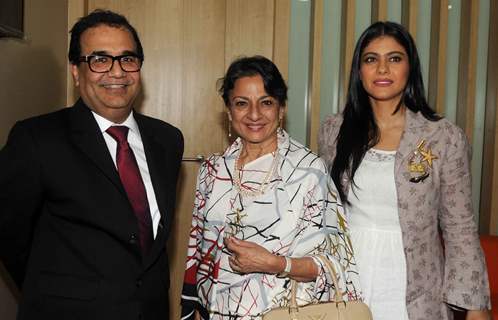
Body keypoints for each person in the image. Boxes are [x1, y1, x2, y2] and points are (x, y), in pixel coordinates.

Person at [0, 9, 183, 320]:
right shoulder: (37, 139)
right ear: (76, 70)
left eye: (128, 58)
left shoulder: (167, 140)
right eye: (100, 59)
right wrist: (55, 290)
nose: (117, 72)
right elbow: (9, 234)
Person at [318, 21, 490, 320]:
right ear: (359, 70)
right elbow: (322, 211)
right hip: (345, 278)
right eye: (371, 59)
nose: (382, 69)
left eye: (394, 58)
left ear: (410, 68)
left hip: (414, 285)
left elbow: (459, 225)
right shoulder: (334, 130)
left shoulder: (443, 137)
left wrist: (475, 305)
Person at [180, 56, 361, 320]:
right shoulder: (212, 170)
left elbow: (337, 266)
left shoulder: (308, 172)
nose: (254, 114)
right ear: (229, 112)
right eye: (242, 103)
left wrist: (274, 263)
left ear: (281, 109)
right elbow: (197, 255)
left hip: (282, 314)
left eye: (266, 102)